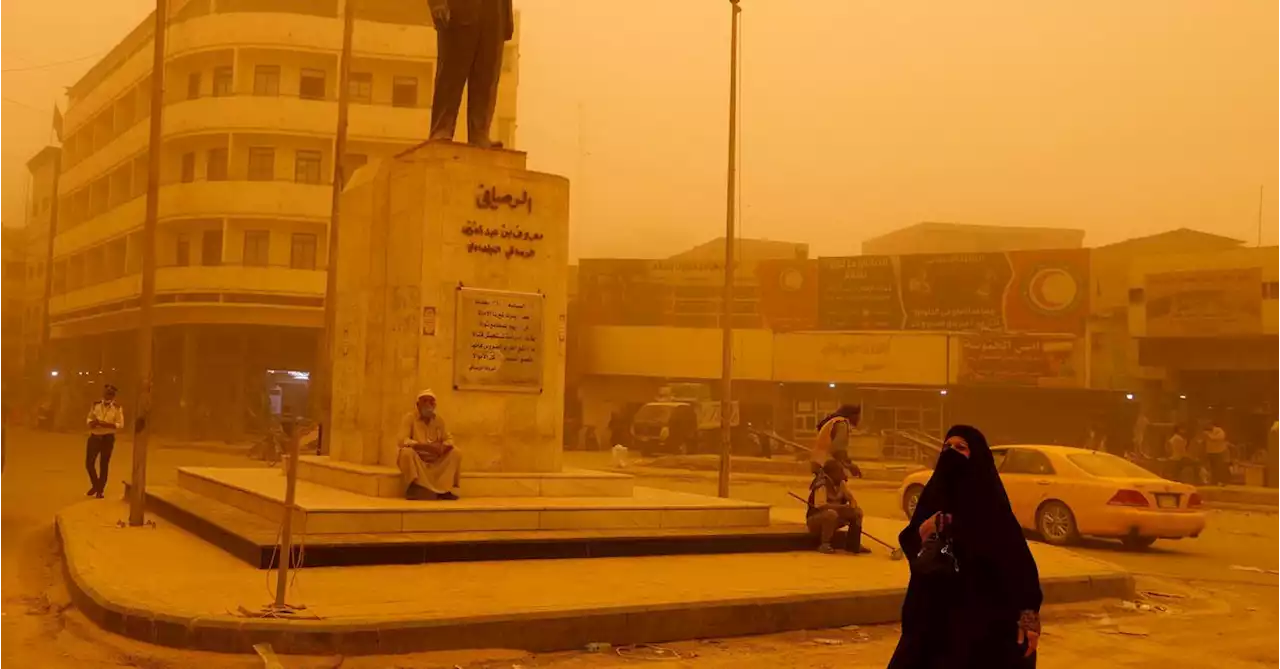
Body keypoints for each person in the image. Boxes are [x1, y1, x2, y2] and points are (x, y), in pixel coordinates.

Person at [888, 425, 1042, 669]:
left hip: (985, 619)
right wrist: (923, 531)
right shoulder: (933, 495)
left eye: (961, 448)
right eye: (946, 447)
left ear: (977, 456)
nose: (951, 453)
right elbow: (910, 542)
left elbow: (1019, 566)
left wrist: (1029, 621)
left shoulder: (992, 505)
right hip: (932, 615)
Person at [427, 0, 515, 148]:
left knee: (487, 77)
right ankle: (442, 127)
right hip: (457, 13)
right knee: (450, 74)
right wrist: (437, 3)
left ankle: (479, 132)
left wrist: (507, 17)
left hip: (494, 14)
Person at [395, 390, 463, 501]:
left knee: (456, 452)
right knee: (406, 453)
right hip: (418, 457)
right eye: (425, 401)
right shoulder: (409, 418)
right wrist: (424, 446)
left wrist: (443, 447)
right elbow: (402, 440)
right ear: (418, 405)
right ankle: (415, 488)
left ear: (435, 405)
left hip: (435, 458)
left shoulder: (439, 420)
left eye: (431, 402)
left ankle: (444, 489)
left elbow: (449, 439)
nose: (428, 405)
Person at [806, 459, 869, 554]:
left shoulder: (841, 483)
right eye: (840, 471)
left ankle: (853, 545)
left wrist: (853, 506)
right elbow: (821, 506)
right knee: (831, 514)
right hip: (816, 520)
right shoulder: (821, 484)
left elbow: (850, 498)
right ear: (832, 473)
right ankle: (824, 544)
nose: (842, 474)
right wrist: (842, 508)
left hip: (835, 517)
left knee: (857, 513)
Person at [85, 384, 125, 499]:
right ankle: (96, 485)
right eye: (107, 393)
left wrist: (105, 424)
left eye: (111, 394)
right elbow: (89, 417)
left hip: (107, 438)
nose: (108, 396)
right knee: (89, 463)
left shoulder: (117, 408)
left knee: (104, 464)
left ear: (114, 396)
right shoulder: (96, 404)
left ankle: (100, 490)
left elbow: (120, 424)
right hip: (95, 436)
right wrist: (91, 423)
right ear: (103, 394)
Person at [811, 404, 863, 478]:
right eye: (858, 416)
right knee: (841, 483)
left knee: (838, 485)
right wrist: (850, 466)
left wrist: (848, 463)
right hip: (827, 463)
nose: (859, 419)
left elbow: (841, 453)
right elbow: (838, 450)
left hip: (818, 462)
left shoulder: (835, 422)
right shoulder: (842, 423)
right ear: (851, 415)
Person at [1204, 420, 1230, 486]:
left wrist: (1208, 435)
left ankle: (1222, 481)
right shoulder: (1207, 432)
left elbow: (1217, 438)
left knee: (1219, 467)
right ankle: (1214, 481)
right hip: (1210, 452)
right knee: (1212, 468)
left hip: (1219, 452)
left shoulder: (1219, 431)